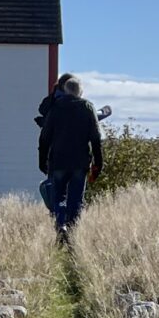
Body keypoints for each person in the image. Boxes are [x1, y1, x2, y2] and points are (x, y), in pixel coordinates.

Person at [36, 73, 105, 238]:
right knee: (75, 199)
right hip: (79, 163)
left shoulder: (55, 108)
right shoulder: (88, 107)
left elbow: (44, 137)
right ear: (80, 92)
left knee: (58, 196)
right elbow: (96, 138)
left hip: (58, 161)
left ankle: (61, 225)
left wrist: (42, 160)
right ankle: (72, 234)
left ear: (65, 90)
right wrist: (98, 163)